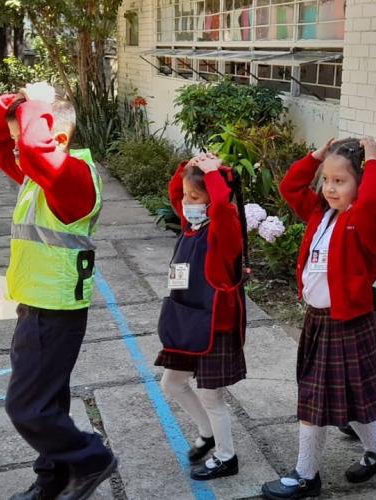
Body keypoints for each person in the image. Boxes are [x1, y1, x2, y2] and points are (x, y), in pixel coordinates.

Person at [0, 82, 117, 500]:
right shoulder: (42, 173)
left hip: (54, 308)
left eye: (27, 142)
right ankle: (53, 476)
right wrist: (15, 103)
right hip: (36, 304)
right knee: (48, 402)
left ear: (55, 137)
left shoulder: (71, 177)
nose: (19, 153)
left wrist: (38, 102)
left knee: (28, 408)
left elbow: (36, 152)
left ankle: (90, 458)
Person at [260, 137, 376, 499]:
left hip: (346, 323)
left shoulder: (365, 221)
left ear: (361, 184)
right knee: (347, 397)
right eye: (327, 180)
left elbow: (371, 205)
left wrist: (375, 163)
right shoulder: (321, 213)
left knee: (314, 399)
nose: (331, 188)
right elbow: (290, 186)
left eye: (341, 181)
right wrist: (316, 157)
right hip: (318, 320)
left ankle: (306, 475)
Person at [155, 153, 250, 480]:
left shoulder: (224, 230)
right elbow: (174, 194)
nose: (186, 203)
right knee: (173, 383)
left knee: (212, 396)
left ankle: (227, 456)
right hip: (186, 321)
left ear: (213, 200)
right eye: (186, 196)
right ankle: (208, 433)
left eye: (196, 197)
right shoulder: (192, 225)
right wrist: (188, 167)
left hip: (214, 326)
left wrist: (213, 174)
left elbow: (223, 208)